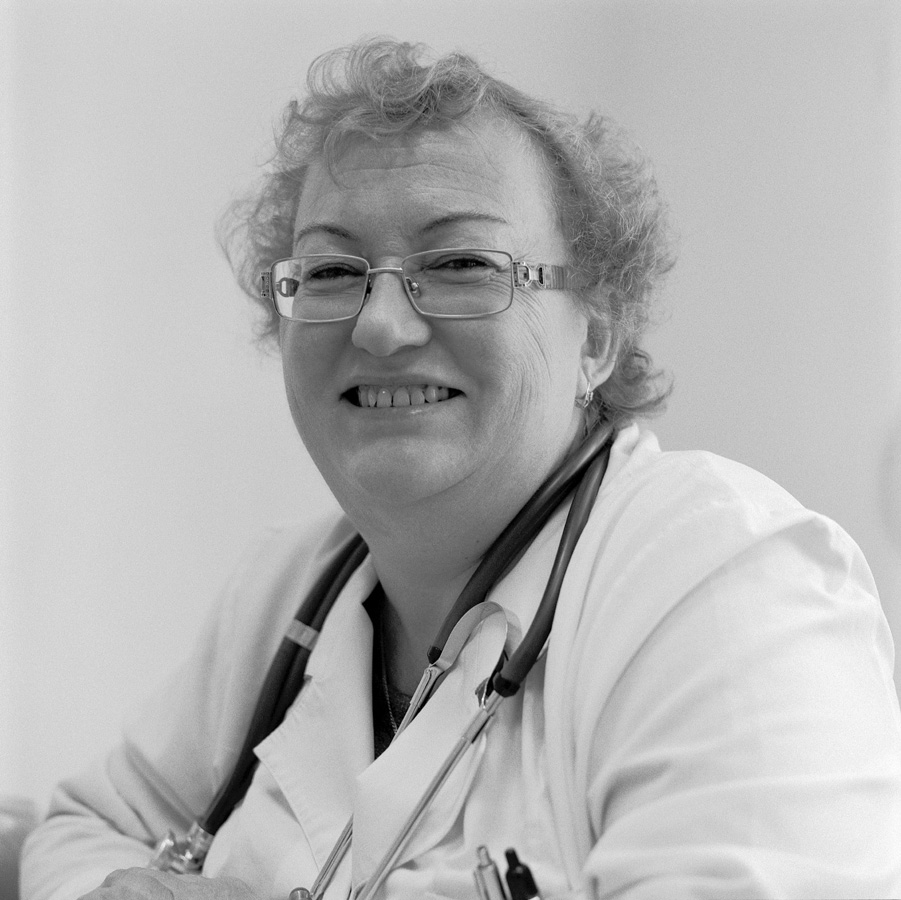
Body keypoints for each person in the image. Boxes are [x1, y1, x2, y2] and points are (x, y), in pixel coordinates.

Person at [21, 38, 901, 900]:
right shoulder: (284, 591)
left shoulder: (725, 586)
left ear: (596, 336)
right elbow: (85, 827)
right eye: (331, 271)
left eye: (460, 265)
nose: (380, 325)